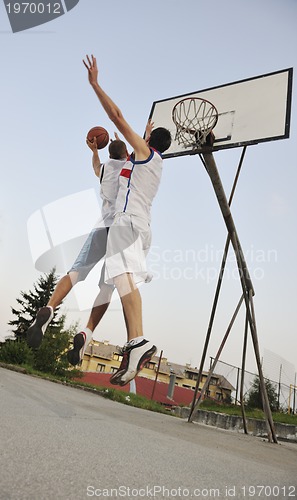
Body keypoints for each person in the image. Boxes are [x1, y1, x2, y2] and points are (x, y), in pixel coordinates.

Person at [81, 54, 172, 386]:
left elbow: (117, 117)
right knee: (124, 279)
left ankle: (139, 339)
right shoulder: (152, 161)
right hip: (141, 228)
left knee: (120, 276)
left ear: (148, 143)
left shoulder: (146, 155)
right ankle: (136, 343)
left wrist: (95, 84)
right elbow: (135, 154)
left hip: (127, 223)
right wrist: (149, 133)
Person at [26, 134, 128, 352]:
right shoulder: (131, 166)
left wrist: (94, 151)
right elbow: (142, 153)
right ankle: (87, 331)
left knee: (74, 272)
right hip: (121, 230)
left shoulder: (105, 169)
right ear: (126, 154)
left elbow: (95, 166)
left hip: (100, 228)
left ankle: (50, 308)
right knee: (107, 286)